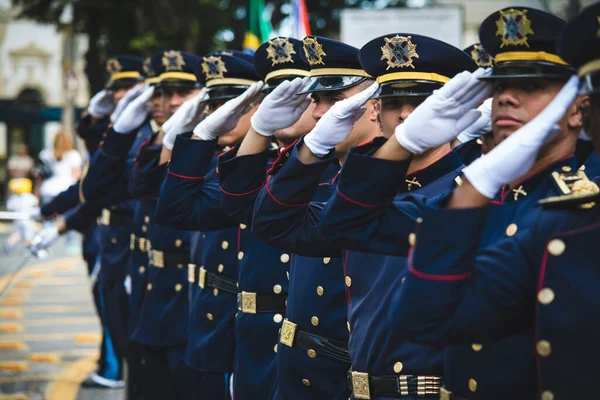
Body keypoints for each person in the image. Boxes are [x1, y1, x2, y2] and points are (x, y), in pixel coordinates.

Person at [319, 7, 582, 400]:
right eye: (500, 85)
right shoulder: (475, 195)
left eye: (532, 85)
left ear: (578, 106)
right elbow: (345, 226)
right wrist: (403, 144)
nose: (507, 97)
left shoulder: (581, 204)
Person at [247, 36, 380, 399]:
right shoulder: (313, 167)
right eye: (316, 100)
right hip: (295, 363)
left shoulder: (382, 182)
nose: (320, 113)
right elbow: (261, 217)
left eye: (334, 99)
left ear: (374, 106)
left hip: (346, 372)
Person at [155, 51, 261, 400]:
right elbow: (150, 191)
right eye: (213, 104)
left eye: (232, 104)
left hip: (246, 323)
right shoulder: (214, 157)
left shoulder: (269, 166)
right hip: (204, 310)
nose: (220, 115)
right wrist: (179, 137)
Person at [38, 130, 82, 206]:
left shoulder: (45, 154)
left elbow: (40, 176)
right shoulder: (73, 155)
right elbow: (77, 176)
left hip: (47, 190)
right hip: (66, 190)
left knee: (48, 215)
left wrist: (36, 194)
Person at [4, 178, 38, 253]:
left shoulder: (13, 198)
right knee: (29, 235)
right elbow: (35, 205)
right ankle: (28, 249)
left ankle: (9, 243)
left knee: (17, 234)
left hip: (17, 219)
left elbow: (9, 207)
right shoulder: (30, 197)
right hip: (28, 220)